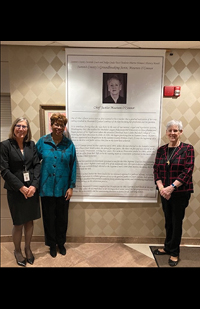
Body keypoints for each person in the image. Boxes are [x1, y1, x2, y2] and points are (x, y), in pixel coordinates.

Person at [153, 120, 195, 266]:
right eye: (170, 130)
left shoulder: (188, 149)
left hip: (180, 192)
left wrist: (171, 188)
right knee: (168, 221)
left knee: (176, 222)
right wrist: (162, 189)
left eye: (176, 130)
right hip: (164, 192)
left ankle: (175, 252)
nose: (172, 133)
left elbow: (187, 171)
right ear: (166, 132)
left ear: (180, 132)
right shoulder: (161, 150)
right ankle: (167, 247)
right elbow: (156, 170)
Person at [0, 117, 41, 267]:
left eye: (24, 126)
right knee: (18, 223)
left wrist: (34, 186)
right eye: (18, 126)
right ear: (14, 128)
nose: (21, 129)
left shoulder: (31, 145)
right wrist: (20, 187)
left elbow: (37, 165)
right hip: (15, 191)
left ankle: (28, 248)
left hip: (31, 190)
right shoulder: (5, 145)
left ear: (27, 130)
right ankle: (17, 251)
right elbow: (4, 170)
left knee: (29, 221)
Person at [36, 113, 76, 258]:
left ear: (64, 127)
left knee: (62, 219)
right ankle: (52, 245)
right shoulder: (42, 142)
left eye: (62, 125)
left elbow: (73, 166)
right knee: (48, 218)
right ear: (51, 125)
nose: (59, 128)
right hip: (46, 188)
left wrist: (71, 186)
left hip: (63, 189)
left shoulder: (69, 145)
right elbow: (34, 163)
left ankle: (61, 243)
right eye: (56, 124)